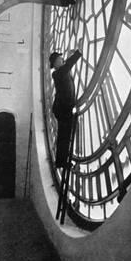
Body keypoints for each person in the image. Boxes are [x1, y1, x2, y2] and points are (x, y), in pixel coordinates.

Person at [49, 39, 83, 168]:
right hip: (63, 110)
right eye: (58, 60)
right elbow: (67, 66)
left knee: (65, 136)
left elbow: (67, 66)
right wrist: (77, 53)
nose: (61, 61)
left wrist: (69, 56)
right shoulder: (57, 74)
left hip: (64, 109)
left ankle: (61, 161)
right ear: (54, 64)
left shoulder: (62, 72)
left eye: (61, 59)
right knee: (64, 136)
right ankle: (61, 162)